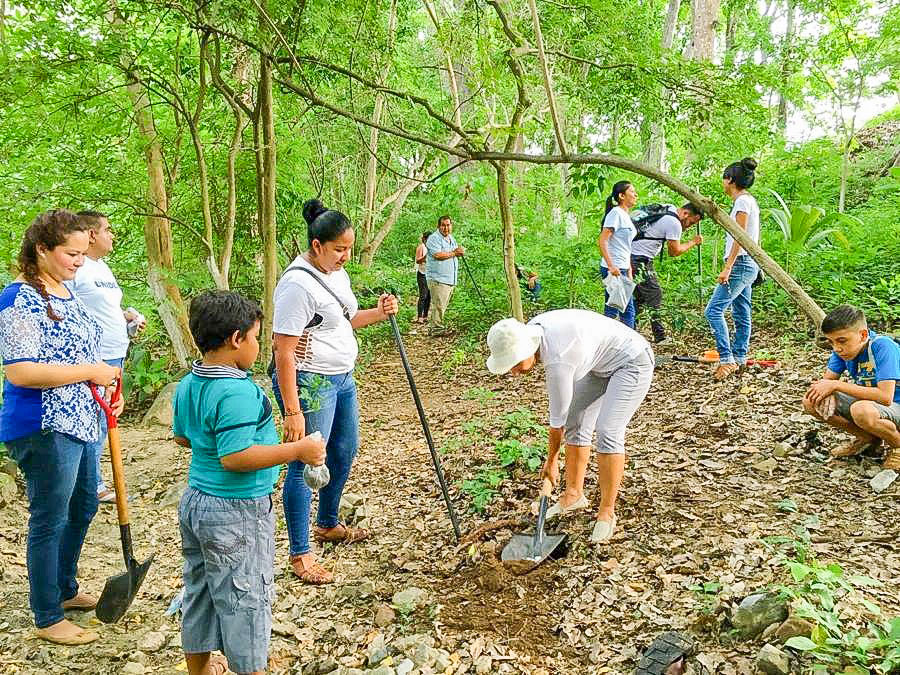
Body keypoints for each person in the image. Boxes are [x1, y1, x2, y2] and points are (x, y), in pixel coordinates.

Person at [174, 290, 326, 675]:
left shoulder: (189, 383)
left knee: (200, 590)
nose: (260, 346)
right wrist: (298, 450)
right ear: (236, 339)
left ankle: (199, 669)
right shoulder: (238, 391)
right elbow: (236, 457)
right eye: (257, 337)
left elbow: (183, 437)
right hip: (236, 510)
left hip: (196, 501)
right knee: (246, 598)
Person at [0, 209, 121, 645]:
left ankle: (64, 589)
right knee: (50, 516)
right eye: (71, 254)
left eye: (83, 253)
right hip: (44, 424)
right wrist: (90, 370)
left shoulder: (65, 290)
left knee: (84, 504)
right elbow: (21, 371)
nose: (79, 261)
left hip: (82, 418)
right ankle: (47, 614)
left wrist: (107, 384)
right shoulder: (18, 299)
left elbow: (81, 351)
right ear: (41, 249)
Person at [272, 199, 398, 585]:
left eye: (349, 248)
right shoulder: (296, 285)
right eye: (339, 249)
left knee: (344, 450)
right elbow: (282, 350)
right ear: (317, 246)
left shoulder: (335, 275)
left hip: (343, 378)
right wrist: (293, 411)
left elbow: (345, 320)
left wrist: (380, 312)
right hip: (311, 383)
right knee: (307, 461)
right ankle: (300, 553)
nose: (346, 257)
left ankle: (327, 523)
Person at [485, 309, 654, 543]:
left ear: (525, 349)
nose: (513, 372)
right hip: (601, 364)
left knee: (608, 430)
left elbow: (558, 424)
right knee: (577, 419)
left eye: (514, 363)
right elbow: (566, 420)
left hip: (632, 361)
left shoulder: (558, 359)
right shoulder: (534, 331)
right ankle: (573, 495)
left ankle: (607, 512)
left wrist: (552, 462)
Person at [70, 210, 146, 503]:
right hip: (95, 358)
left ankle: (92, 482)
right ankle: (90, 486)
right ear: (91, 234)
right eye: (107, 230)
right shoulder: (77, 269)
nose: (112, 235)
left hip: (116, 354)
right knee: (95, 421)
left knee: (105, 420)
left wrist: (128, 318)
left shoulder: (102, 268)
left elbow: (106, 308)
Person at [803, 304, 900, 469]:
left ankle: (897, 445)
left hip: (894, 404)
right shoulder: (841, 351)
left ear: (863, 335)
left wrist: (836, 385)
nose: (837, 348)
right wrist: (827, 390)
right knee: (812, 400)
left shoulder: (883, 346)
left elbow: (885, 397)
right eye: (831, 342)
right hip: (876, 407)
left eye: (842, 341)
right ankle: (869, 439)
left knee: (861, 410)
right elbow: (825, 385)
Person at [704, 157, 760, 380]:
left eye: (723, 179)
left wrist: (728, 267)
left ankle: (727, 358)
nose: (723, 183)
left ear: (730, 180)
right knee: (741, 311)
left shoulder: (742, 202)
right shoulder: (748, 201)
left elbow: (740, 235)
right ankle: (739, 357)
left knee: (713, 310)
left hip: (740, 263)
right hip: (747, 262)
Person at [630, 204, 704, 344]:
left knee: (640, 297)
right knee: (654, 294)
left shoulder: (668, 208)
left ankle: (629, 329)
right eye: (691, 223)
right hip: (639, 259)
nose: (689, 226)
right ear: (685, 214)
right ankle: (660, 337)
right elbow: (674, 252)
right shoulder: (674, 222)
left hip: (633, 255)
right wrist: (693, 242)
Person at [598, 181, 638, 328]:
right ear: (621, 196)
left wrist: (629, 269)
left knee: (615, 308)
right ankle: (627, 341)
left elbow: (625, 246)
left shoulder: (626, 216)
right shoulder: (615, 214)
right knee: (625, 310)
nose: (635, 194)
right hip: (614, 269)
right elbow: (603, 240)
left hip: (622, 268)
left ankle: (609, 339)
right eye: (632, 192)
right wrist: (611, 266)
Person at [425, 215, 464, 334]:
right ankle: (436, 329)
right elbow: (438, 255)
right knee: (439, 306)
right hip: (438, 278)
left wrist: (459, 251)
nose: (446, 228)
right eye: (443, 225)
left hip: (449, 279)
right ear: (438, 226)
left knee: (442, 305)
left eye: (448, 225)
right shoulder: (434, 238)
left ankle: (436, 328)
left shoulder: (451, 238)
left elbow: (455, 251)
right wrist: (454, 253)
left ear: (451, 226)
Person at [414, 231, 431, 324]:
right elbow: (417, 261)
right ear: (424, 239)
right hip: (422, 274)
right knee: (423, 295)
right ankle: (419, 316)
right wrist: (425, 258)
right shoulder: (421, 247)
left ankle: (425, 316)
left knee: (429, 296)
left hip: (430, 275)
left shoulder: (431, 247)